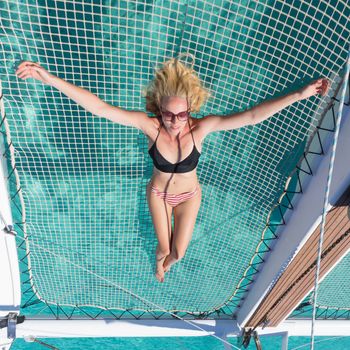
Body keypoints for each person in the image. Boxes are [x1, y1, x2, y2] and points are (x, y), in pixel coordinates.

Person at [15, 54, 330, 282]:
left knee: (178, 253)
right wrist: (47, 77)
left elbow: (251, 117)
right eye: (169, 115)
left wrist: (301, 95)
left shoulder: (201, 129)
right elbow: (99, 108)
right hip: (158, 195)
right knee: (163, 249)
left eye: (182, 115)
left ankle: (165, 262)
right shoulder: (150, 127)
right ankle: (158, 261)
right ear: (158, 108)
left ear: (190, 109)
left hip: (190, 196)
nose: (176, 122)